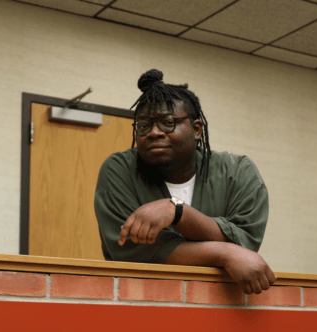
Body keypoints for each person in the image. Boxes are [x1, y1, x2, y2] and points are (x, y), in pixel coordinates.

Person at [94, 69, 275, 294]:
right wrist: (225, 253)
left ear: (197, 129)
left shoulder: (237, 172)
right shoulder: (119, 170)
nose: (154, 132)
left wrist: (177, 211)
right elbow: (133, 251)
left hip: (221, 306)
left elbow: (245, 241)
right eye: (143, 125)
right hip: (140, 301)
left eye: (168, 122)